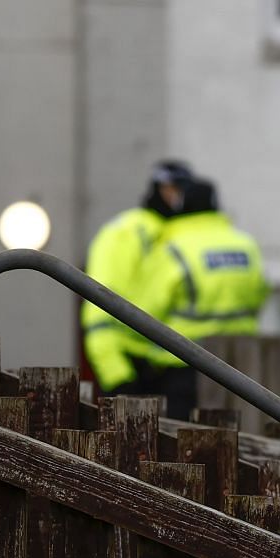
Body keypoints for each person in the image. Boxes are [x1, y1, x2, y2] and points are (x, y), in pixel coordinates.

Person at [127, 178, 270, 422]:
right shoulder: (246, 245)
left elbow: (147, 309)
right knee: (240, 440)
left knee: (184, 442)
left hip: (183, 361)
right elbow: (260, 293)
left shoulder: (173, 248)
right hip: (240, 363)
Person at [82, 159, 191, 397]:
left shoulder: (180, 232)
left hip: (165, 370)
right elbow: (100, 302)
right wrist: (118, 377)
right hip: (129, 368)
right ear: (159, 189)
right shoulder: (129, 231)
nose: (178, 197)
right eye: (173, 189)